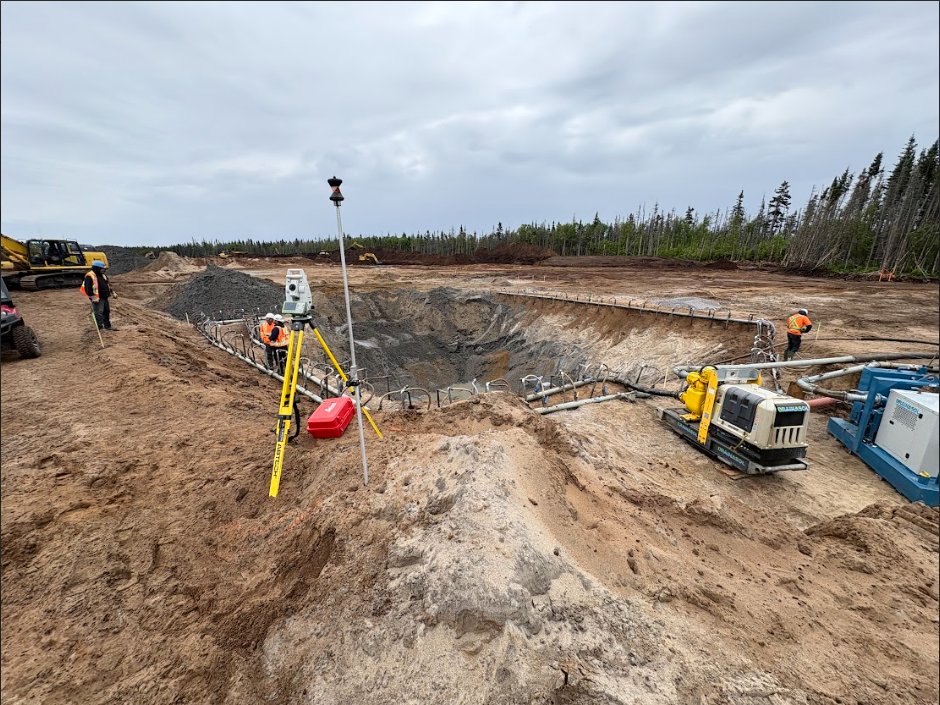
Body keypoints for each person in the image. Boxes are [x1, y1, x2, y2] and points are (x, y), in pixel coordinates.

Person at [81, 260, 118, 331]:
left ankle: (107, 326)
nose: (104, 270)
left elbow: (107, 285)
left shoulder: (103, 275)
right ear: (97, 268)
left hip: (105, 296)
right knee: (98, 312)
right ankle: (100, 328)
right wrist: (93, 297)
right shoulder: (90, 276)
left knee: (106, 311)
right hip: (97, 298)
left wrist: (113, 292)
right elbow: (87, 289)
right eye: (102, 269)